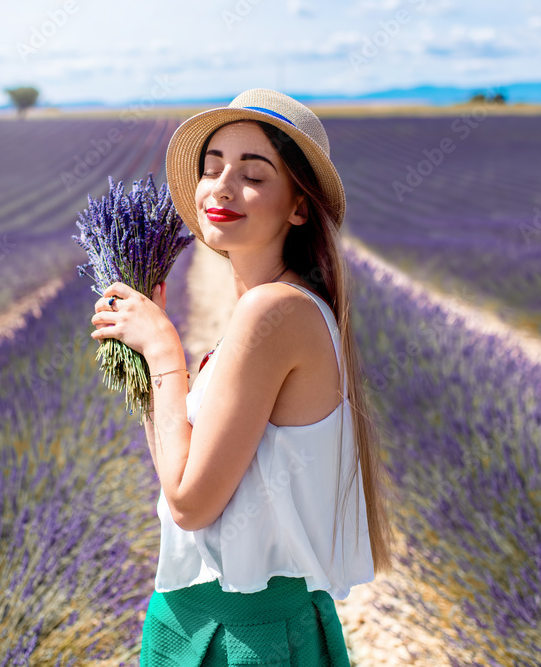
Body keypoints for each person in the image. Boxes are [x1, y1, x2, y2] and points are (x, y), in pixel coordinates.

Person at [89, 88, 396, 666]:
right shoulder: (264, 312)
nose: (222, 187)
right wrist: (145, 361)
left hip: (243, 638)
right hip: (199, 623)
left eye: (253, 175)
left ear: (299, 207)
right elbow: (177, 474)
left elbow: (188, 503)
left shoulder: (274, 311)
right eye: (212, 168)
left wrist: (162, 352)